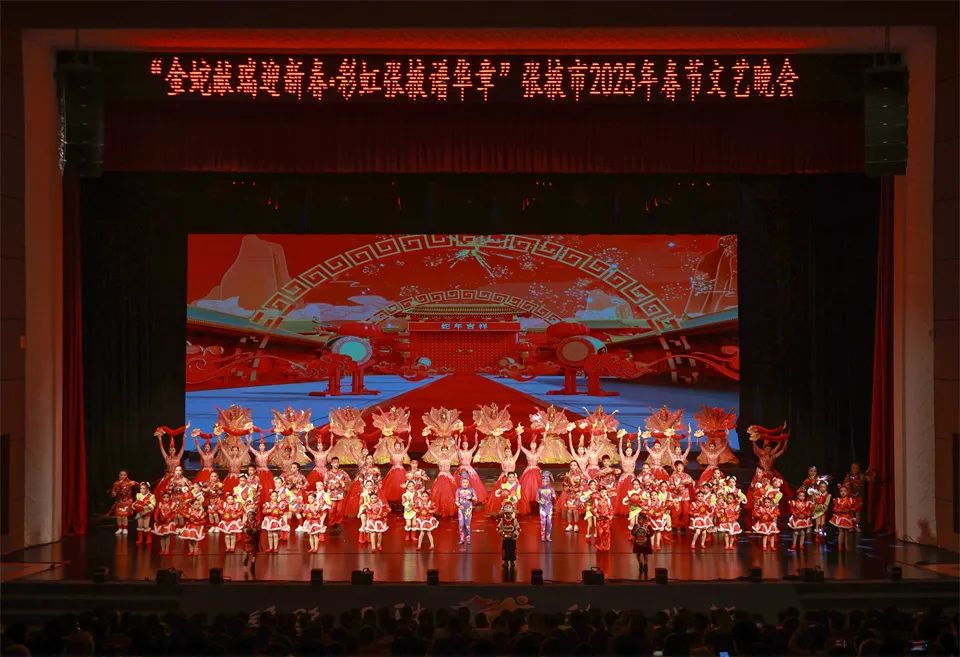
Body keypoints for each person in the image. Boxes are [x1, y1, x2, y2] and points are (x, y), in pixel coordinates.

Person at [487, 438, 524, 515]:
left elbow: (518, 450)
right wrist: (497, 441)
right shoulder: (502, 459)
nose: (507, 453)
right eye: (506, 451)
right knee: (502, 493)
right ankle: (501, 508)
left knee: (515, 492)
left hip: (512, 478)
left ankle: (514, 508)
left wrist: (519, 439)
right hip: (503, 477)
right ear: (504, 452)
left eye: (509, 451)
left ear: (510, 452)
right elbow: (498, 450)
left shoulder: (514, 459)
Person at [426, 442, 459, 518]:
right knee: (440, 492)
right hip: (441, 476)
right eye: (443, 450)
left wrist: (457, 441)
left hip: (448, 476)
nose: (444, 451)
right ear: (441, 451)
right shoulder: (438, 458)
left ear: (447, 451)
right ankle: (439, 509)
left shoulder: (450, 458)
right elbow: (431, 451)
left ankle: (450, 508)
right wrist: (428, 444)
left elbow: (457, 451)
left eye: (445, 450)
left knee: (450, 492)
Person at [379, 435, 413, 504]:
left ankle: (404, 499)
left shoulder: (402, 453)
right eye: (396, 446)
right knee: (392, 485)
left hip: (401, 470)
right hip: (393, 470)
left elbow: (407, 447)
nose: (397, 447)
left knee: (403, 483)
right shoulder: (392, 453)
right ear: (394, 447)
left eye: (398, 446)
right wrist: (386, 440)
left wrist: (409, 441)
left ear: (400, 447)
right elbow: (388, 447)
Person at [454, 435, 487, 505]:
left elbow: (476, 445)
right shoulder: (460, 451)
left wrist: (476, 438)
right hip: (461, 469)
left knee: (473, 482)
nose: (464, 445)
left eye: (466, 444)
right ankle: (461, 497)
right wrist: (456, 439)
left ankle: (471, 497)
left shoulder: (470, 451)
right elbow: (455, 446)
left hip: (469, 469)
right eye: (463, 444)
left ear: (468, 445)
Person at [154, 429, 187, 496]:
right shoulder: (166, 457)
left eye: (173, 450)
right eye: (170, 450)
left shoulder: (178, 457)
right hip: (168, 476)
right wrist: (160, 439)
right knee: (164, 490)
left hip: (177, 476)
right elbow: (161, 448)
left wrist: (184, 439)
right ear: (169, 451)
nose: (172, 451)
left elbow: (183, 448)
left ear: (175, 451)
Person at [246, 435, 277, 504]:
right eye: (260, 446)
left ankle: (267, 502)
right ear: (259, 447)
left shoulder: (267, 453)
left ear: (265, 447)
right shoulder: (256, 453)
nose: (261, 447)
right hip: (258, 472)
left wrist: (277, 435)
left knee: (266, 488)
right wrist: (248, 437)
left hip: (266, 473)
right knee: (257, 488)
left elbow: (275, 446)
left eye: (263, 446)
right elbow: (249, 447)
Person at [518, 438, 545, 515]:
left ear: (536, 445)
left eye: (534, 444)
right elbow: (520, 446)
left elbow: (543, 445)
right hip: (528, 470)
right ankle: (527, 506)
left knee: (538, 487)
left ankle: (538, 506)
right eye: (532, 444)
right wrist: (519, 437)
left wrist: (544, 436)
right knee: (527, 487)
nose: (533, 446)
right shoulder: (527, 452)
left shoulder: (538, 452)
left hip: (536, 471)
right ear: (530, 445)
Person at [614, 433, 640, 515]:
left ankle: (632, 510)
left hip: (631, 477)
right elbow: (620, 449)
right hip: (624, 477)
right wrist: (621, 439)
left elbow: (638, 450)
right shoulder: (623, 458)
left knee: (632, 494)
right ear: (625, 452)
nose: (629, 452)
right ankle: (622, 510)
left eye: (630, 451)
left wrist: (639, 439)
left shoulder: (634, 458)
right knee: (622, 494)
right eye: (627, 451)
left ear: (632, 452)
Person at [668, 460, 695, 530]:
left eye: (681, 466)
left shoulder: (687, 475)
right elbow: (670, 486)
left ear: (683, 467)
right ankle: (675, 525)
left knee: (685, 511)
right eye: (678, 466)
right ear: (675, 467)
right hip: (677, 496)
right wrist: (676, 488)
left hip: (685, 496)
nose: (679, 467)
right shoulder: (673, 476)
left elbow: (693, 483)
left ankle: (684, 525)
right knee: (677, 511)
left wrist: (689, 483)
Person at [324, 457, 351, 529]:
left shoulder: (342, 472)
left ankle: (338, 522)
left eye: (337, 462)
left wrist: (341, 483)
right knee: (331, 510)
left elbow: (348, 481)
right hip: (331, 495)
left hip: (340, 494)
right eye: (334, 462)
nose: (336, 464)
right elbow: (325, 483)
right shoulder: (328, 473)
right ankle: (331, 522)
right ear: (331, 463)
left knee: (340, 510)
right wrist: (331, 486)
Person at [559, 461, 585, 532]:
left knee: (575, 511)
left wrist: (579, 490)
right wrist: (567, 488)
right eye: (571, 465)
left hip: (577, 495)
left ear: (577, 466)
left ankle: (576, 525)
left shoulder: (581, 475)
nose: (573, 467)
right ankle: (570, 525)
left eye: (575, 465)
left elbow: (583, 484)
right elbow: (564, 484)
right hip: (570, 494)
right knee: (569, 511)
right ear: (570, 466)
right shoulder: (567, 474)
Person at [109, 471, 138, 535]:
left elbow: (138, 486)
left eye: (124, 475)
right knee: (118, 516)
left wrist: (135, 483)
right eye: (121, 475)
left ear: (126, 475)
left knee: (124, 516)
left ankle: (125, 528)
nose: (123, 476)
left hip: (127, 501)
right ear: (119, 475)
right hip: (119, 501)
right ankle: (120, 528)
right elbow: (113, 495)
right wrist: (113, 493)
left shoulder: (129, 482)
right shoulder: (116, 483)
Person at [830, 485, 857, 552]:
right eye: (841, 491)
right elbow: (835, 509)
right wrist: (841, 510)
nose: (843, 492)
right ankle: (840, 546)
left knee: (847, 532)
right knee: (841, 532)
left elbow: (854, 508)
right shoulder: (838, 500)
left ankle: (846, 546)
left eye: (845, 491)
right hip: (840, 517)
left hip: (847, 517)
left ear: (847, 492)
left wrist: (849, 509)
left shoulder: (850, 500)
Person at [152, 490, 178, 556]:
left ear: (170, 497)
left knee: (167, 536)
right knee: (162, 537)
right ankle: (162, 550)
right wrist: (156, 517)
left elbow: (174, 513)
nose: (165, 498)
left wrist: (170, 518)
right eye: (164, 497)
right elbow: (157, 511)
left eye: (167, 497)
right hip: (161, 521)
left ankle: (167, 550)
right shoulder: (160, 504)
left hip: (168, 522)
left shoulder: (172, 505)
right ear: (162, 498)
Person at [364, 484, 390, 552]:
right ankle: (373, 547)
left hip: (380, 521)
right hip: (372, 521)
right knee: (372, 533)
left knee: (379, 534)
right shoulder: (368, 505)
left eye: (375, 498)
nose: (373, 499)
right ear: (370, 498)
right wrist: (375, 516)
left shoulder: (381, 503)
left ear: (377, 498)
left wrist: (384, 513)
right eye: (372, 498)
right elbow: (368, 514)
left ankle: (379, 544)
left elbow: (385, 510)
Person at [455, 473, 478, 545]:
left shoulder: (471, 490)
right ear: (461, 482)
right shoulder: (458, 490)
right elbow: (456, 500)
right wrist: (459, 505)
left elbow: (476, 498)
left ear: (468, 482)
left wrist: (470, 498)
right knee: (461, 524)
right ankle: (461, 539)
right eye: (463, 482)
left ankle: (468, 539)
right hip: (461, 509)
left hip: (468, 509)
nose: (465, 484)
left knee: (467, 524)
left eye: (466, 482)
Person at [496, 504, 520, 569]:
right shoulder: (502, 521)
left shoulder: (514, 521)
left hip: (512, 539)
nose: (508, 515)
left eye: (509, 513)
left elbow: (518, 528)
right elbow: (498, 528)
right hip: (505, 539)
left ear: (512, 513)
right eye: (506, 513)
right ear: (505, 513)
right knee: (505, 550)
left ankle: (512, 562)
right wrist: (502, 533)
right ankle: (505, 562)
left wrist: (515, 534)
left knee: (512, 550)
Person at [536, 471, 557, 542]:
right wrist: (540, 501)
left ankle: (548, 536)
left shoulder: (551, 489)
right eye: (543, 481)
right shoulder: (539, 490)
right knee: (543, 522)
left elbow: (554, 498)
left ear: (548, 482)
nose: (544, 483)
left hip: (549, 508)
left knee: (549, 523)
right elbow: (537, 499)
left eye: (546, 481)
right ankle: (542, 537)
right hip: (542, 508)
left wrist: (553, 497)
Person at [239, 509, 261, 575]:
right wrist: (246, 530)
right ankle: (246, 558)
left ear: (254, 515)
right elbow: (243, 529)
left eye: (252, 515)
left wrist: (255, 530)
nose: (251, 516)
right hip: (247, 539)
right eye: (249, 515)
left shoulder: (257, 522)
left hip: (254, 540)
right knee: (246, 550)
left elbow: (258, 529)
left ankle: (253, 564)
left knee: (254, 553)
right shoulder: (246, 522)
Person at [631, 514, 653, 578]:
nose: (639, 520)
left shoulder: (647, 526)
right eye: (638, 519)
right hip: (638, 543)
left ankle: (645, 565)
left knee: (645, 555)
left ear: (644, 519)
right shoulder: (636, 526)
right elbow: (632, 532)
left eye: (640, 519)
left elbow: (651, 533)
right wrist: (635, 532)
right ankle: (640, 564)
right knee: (638, 555)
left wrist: (648, 533)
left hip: (645, 543)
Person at [593, 488, 614, 552]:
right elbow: (593, 509)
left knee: (607, 532)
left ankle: (606, 546)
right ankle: (600, 545)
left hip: (606, 519)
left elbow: (611, 509)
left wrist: (610, 516)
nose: (604, 494)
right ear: (599, 493)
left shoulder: (608, 500)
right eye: (602, 492)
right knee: (600, 532)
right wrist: (596, 515)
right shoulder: (596, 501)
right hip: (600, 519)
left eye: (605, 492)